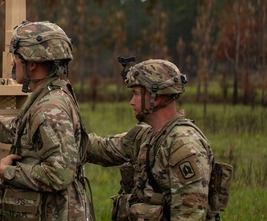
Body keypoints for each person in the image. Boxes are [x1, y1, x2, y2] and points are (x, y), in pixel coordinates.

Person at [0, 20, 92, 221]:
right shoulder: (50, 95)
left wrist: (8, 172)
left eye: (16, 56)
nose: (13, 62)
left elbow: (60, 174)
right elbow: (18, 129)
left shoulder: (48, 109)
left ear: (32, 63)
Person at [86, 59, 218, 221]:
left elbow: (189, 215)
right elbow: (103, 149)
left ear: (156, 97)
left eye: (135, 94)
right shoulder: (147, 136)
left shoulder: (184, 146)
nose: (131, 102)